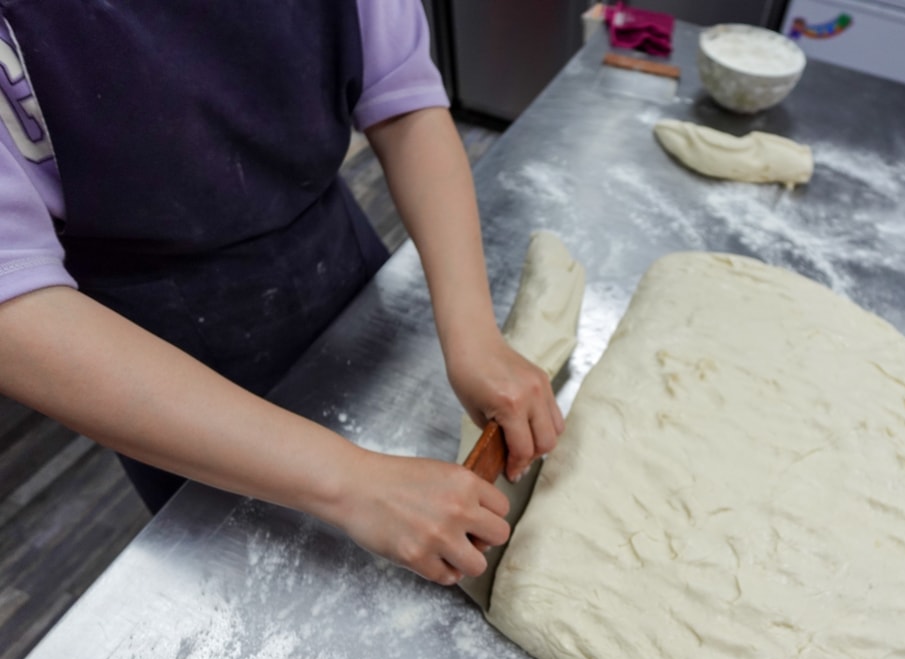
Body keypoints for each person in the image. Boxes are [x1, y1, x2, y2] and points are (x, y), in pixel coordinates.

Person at [0, 0, 563, 586]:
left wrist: (473, 333)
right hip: (152, 363)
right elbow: (14, 306)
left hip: (338, 259)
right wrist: (352, 483)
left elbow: (403, 101)